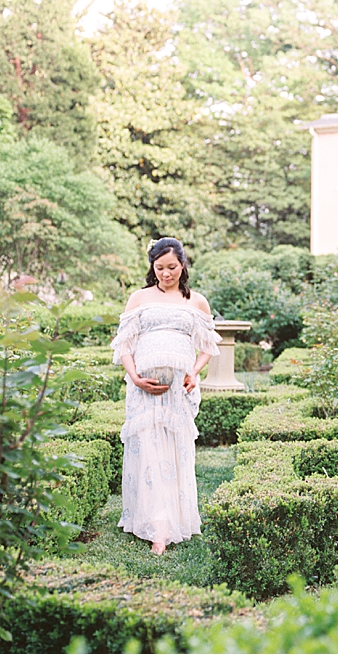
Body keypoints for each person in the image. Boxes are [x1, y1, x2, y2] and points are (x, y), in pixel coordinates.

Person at [110, 237, 220, 555]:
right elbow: (124, 345)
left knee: (173, 453)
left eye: (171, 267)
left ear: (182, 265)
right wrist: (135, 378)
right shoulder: (139, 298)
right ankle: (156, 525)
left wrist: (194, 372)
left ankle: (173, 519)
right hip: (143, 389)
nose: (166, 274)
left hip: (177, 393)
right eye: (159, 268)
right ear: (152, 267)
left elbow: (208, 347)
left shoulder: (196, 301)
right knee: (149, 452)